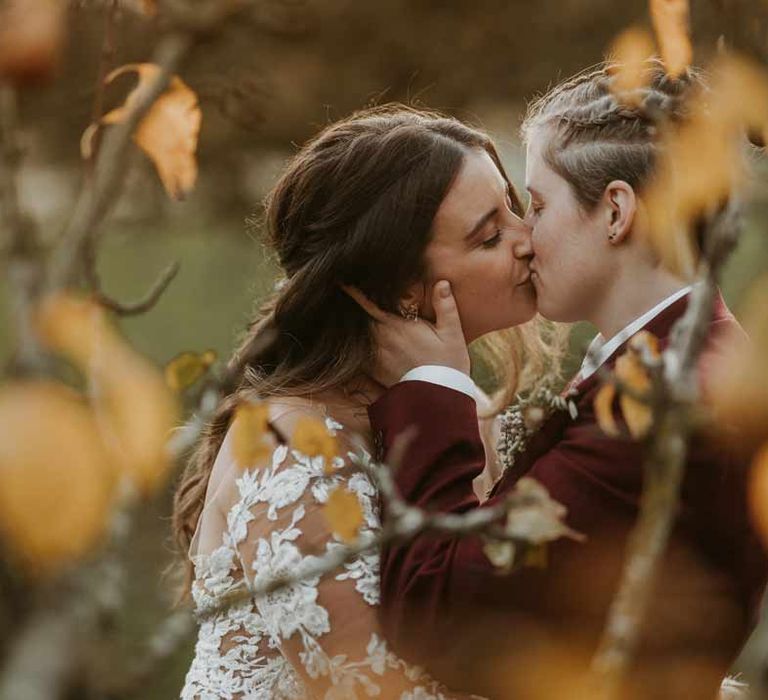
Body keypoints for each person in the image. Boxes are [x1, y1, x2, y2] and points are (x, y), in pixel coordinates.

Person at [354, 64, 768, 698]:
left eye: (538, 206)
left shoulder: (651, 410)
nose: (522, 238)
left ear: (615, 212)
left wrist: (434, 386)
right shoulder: (690, 354)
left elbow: (435, 608)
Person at [172, 104, 561, 699]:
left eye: (515, 209)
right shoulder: (293, 450)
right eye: (490, 235)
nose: (526, 239)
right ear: (402, 290)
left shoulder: (464, 410)